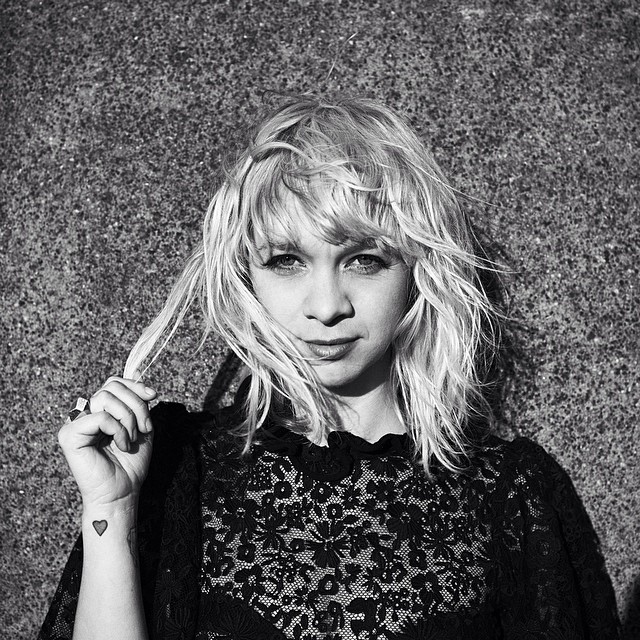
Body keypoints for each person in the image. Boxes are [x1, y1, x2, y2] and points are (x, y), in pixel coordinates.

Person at [39, 95, 621, 640]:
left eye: (364, 260)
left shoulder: (512, 492)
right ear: (247, 278)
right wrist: (112, 510)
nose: (326, 306)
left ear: (418, 272)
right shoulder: (173, 468)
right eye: (286, 261)